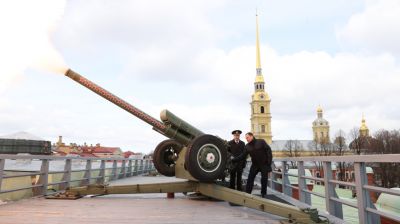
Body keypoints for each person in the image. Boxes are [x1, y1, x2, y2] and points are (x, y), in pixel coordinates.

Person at [232, 132, 272, 198]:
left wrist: (269, 164)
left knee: (264, 179)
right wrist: (234, 160)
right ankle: (248, 193)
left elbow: (269, 151)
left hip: (264, 164)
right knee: (250, 179)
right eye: (246, 138)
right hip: (255, 165)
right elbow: (242, 156)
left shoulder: (261, 142)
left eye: (247, 137)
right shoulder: (247, 146)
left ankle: (263, 193)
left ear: (251, 136)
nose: (246, 139)